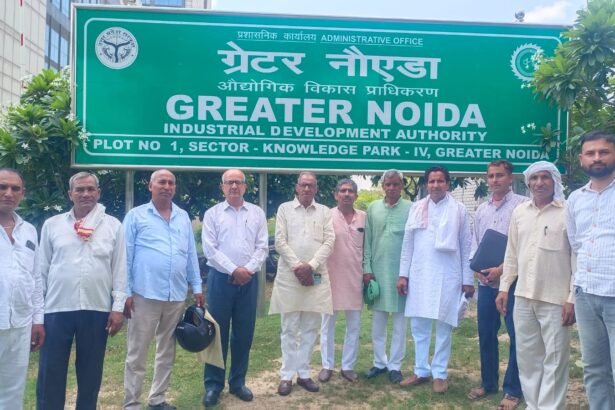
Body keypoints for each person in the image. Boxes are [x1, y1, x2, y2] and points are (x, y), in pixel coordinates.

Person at [36, 172, 127, 409]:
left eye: (90, 189)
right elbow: (41, 271)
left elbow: (120, 269)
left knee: (90, 373)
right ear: (70, 194)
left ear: (98, 192)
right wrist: (37, 314)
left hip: (96, 308)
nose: (85, 194)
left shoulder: (113, 226)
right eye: (80, 189)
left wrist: (117, 308)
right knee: (50, 371)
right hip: (57, 308)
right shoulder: (53, 225)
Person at [496, 161, 574, 410]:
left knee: (555, 359)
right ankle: (533, 404)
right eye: (534, 178)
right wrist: (504, 288)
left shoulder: (567, 212)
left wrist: (571, 298)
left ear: (554, 181)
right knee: (528, 357)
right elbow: (511, 253)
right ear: (528, 182)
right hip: (523, 296)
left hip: (556, 298)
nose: (539, 183)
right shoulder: (520, 212)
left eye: (545, 177)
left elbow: (577, 257)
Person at [123, 169, 203, 410]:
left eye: (171, 183)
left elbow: (190, 255)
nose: (166, 186)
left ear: (174, 188)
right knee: (137, 352)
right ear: (150, 186)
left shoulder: (182, 216)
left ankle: (157, 399)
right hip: (143, 295)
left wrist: (197, 286)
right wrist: (125, 292)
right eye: (161, 182)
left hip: (175, 295)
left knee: (167, 350)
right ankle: (132, 403)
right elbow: (125, 256)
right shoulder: (136, 216)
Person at [397, 166, 474, 394]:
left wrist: (468, 279)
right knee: (419, 326)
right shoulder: (416, 208)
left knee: (443, 326)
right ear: (426, 184)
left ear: (447, 184)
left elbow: (466, 245)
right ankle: (421, 370)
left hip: (447, 275)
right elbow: (408, 244)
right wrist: (403, 275)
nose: (436, 185)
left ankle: (440, 373)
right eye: (431, 181)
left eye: (440, 181)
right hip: (420, 274)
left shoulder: (459, 210)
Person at [201, 169, 268, 407]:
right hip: (220, 280)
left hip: (248, 281)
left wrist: (246, 270)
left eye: (238, 182)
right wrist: (234, 270)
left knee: (244, 332)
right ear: (222, 186)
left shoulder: (257, 213)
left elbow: (262, 247)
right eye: (229, 182)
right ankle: (213, 385)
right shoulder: (212, 214)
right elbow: (210, 249)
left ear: (245, 187)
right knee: (216, 332)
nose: (234, 186)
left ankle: (238, 382)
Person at [269, 172, 335, 396]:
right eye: (303, 185)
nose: (307, 189)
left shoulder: (324, 211)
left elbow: (329, 241)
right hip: (290, 276)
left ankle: (304, 373)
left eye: (311, 185)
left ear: (316, 189)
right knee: (289, 327)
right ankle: (286, 375)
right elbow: (280, 241)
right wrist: (298, 266)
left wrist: (311, 265)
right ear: (296, 187)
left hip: (316, 276)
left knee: (310, 327)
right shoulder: (284, 209)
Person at [467, 160, 526, 409]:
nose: (494, 180)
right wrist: (478, 270)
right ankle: (488, 383)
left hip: (513, 283)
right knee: (486, 334)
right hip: (486, 284)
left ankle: (512, 390)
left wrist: (502, 269)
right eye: (490, 176)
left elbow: (524, 246)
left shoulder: (523, 206)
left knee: (516, 336)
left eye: (500, 175)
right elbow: (476, 242)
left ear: (510, 178)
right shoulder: (482, 209)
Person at [566, 130, 615, 410]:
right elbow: (576, 244)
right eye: (590, 153)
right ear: (582, 159)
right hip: (585, 293)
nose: (597, 158)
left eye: (603, 152)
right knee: (594, 368)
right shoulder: (575, 199)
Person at [0, 168, 44, 409]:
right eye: (2, 187)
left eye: (15, 188)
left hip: (20, 324)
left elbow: (35, 278)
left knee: (12, 391)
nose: (8, 193)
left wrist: (38, 320)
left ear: (22, 193)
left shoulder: (28, 230)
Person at [363, 169, 412, 384]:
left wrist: (407, 274)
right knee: (378, 323)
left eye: (395, 184)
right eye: (388, 184)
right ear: (382, 186)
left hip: (401, 275)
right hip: (378, 273)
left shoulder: (411, 208)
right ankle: (379, 362)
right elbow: (367, 241)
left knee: (400, 324)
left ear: (402, 185)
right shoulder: (373, 208)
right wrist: (367, 269)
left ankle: (395, 366)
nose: (391, 188)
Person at [318, 178, 366, 384]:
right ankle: (326, 366)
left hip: (355, 277)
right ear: (335, 195)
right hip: (330, 278)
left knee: (353, 325)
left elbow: (368, 248)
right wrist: (317, 278)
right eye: (343, 191)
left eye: (350, 191)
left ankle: (348, 366)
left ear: (356, 195)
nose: (347, 194)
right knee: (327, 325)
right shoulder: (326, 216)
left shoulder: (364, 217)